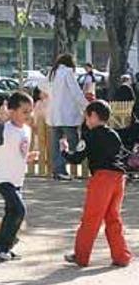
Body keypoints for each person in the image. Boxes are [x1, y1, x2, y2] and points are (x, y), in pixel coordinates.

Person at [60, 101, 133, 267]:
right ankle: (121, 256)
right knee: (113, 218)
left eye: (86, 116)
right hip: (119, 178)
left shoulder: (90, 136)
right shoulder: (114, 134)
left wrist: (64, 151)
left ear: (92, 116)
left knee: (91, 218)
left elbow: (77, 158)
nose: (85, 119)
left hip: (102, 179)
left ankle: (81, 256)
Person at [0, 91, 39, 261]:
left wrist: (28, 157)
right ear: (12, 111)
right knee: (19, 210)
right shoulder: (6, 128)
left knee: (12, 212)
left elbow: (19, 153)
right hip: (2, 178)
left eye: (30, 111)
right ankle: (1, 246)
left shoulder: (26, 130)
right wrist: (0, 122)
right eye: (24, 111)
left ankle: (4, 248)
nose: (28, 115)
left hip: (17, 178)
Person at [47, 54, 87, 181]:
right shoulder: (67, 72)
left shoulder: (52, 73)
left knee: (56, 145)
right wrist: (87, 105)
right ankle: (70, 164)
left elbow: (42, 86)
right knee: (74, 142)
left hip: (54, 115)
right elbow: (76, 92)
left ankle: (58, 170)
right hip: (67, 115)